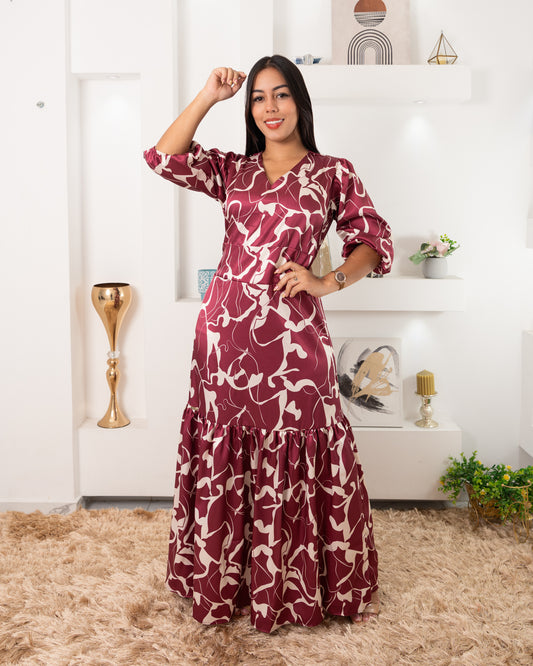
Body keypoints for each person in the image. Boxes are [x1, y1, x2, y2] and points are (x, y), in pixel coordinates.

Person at [143, 54, 393, 634]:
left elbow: (372, 240)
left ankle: (299, 587)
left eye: (280, 94)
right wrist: (209, 95)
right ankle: (227, 583)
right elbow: (163, 157)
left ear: (300, 102)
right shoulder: (235, 170)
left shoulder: (333, 172)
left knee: (305, 448)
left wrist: (327, 281)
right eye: (259, 98)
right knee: (225, 456)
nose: (270, 107)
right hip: (224, 340)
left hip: (295, 344)